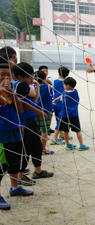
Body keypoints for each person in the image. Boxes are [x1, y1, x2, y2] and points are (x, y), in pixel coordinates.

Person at [13, 63, 54, 184]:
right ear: (20, 77)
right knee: (26, 148)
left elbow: (34, 100)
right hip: (25, 122)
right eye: (29, 77)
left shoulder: (23, 84)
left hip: (31, 120)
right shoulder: (21, 85)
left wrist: (35, 84)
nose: (32, 79)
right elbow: (33, 98)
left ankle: (38, 170)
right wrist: (39, 111)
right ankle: (20, 176)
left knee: (36, 146)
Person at [0, 61, 33, 210]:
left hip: (15, 129)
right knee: (1, 166)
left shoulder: (11, 90)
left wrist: (12, 94)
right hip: (2, 132)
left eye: (8, 75)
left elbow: (20, 110)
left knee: (15, 161)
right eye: (2, 75)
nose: (6, 78)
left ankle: (15, 188)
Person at [53, 77, 90, 151]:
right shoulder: (75, 92)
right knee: (78, 130)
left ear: (68, 86)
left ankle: (68, 144)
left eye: (64, 85)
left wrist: (56, 99)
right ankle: (81, 144)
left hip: (65, 115)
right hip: (74, 114)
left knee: (66, 131)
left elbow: (63, 98)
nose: (63, 86)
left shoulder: (64, 93)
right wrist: (57, 98)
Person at [35, 71, 54, 155]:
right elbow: (50, 84)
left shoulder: (33, 87)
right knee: (44, 131)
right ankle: (42, 149)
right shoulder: (48, 87)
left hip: (35, 111)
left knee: (36, 131)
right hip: (45, 112)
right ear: (43, 79)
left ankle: (35, 149)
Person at [50, 66, 71, 145]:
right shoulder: (67, 83)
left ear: (58, 73)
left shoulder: (54, 81)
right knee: (60, 121)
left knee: (58, 119)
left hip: (54, 103)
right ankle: (54, 138)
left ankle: (61, 135)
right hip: (62, 103)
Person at [38, 65, 55, 135]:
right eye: (43, 71)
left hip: (49, 100)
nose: (45, 72)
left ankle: (48, 128)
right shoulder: (43, 84)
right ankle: (44, 130)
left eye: (46, 71)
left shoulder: (50, 79)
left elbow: (50, 82)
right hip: (41, 102)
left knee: (50, 114)